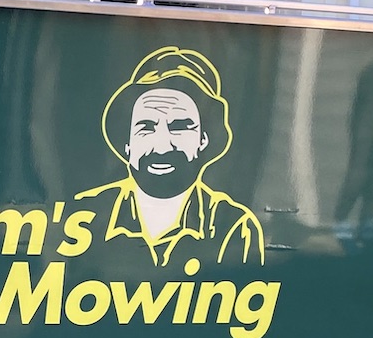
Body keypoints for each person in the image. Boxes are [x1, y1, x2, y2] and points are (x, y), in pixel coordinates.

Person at [76, 45, 264, 267]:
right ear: (127, 143)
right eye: (146, 127)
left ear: (204, 139)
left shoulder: (233, 226)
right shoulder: (85, 215)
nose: (162, 146)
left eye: (179, 127)